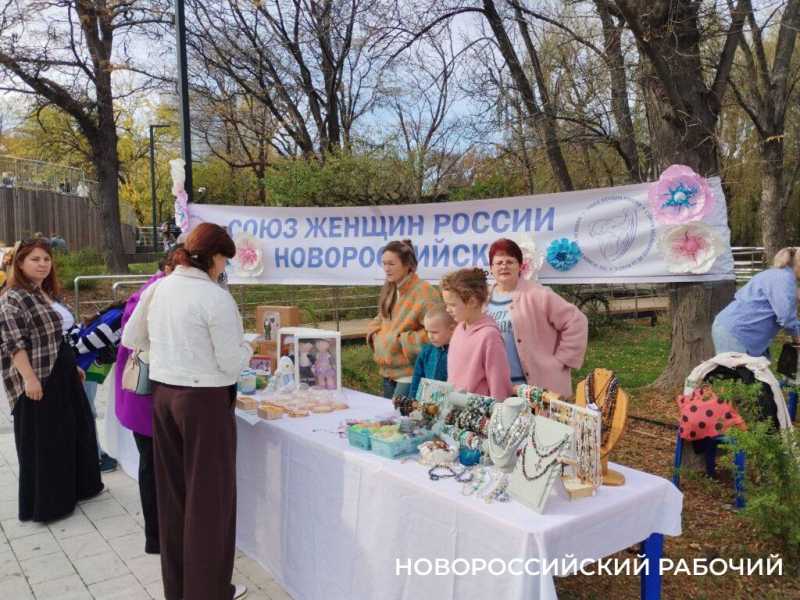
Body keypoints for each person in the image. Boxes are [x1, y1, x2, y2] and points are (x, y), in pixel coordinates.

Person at [122, 224, 252, 600]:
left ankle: (178, 588)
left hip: (164, 397)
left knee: (175, 496)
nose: (223, 267)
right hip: (204, 402)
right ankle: (208, 591)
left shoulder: (159, 288)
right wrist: (246, 348)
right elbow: (230, 365)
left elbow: (131, 338)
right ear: (213, 257)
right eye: (224, 260)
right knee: (210, 499)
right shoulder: (214, 297)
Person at [0, 238, 103, 522]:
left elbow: (58, 336)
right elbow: (13, 344)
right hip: (38, 376)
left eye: (46, 259)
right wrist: (30, 380)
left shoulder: (44, 292)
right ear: (20, 263)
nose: (43, 264)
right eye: (35, 259)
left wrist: (70, 367)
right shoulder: (13, 297)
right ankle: (49, 504)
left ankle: (78, 488)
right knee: (46, 441)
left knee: (72, 432)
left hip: (62, 371)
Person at [115, 247, 180, 555]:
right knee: (153, 467)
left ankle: (161, 533)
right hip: (146, 398)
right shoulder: (152, 295)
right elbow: (139, 341)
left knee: (154, 465)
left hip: (148, 399)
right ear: (168, 267)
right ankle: (156, 536)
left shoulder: (160, 291)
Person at [487, 238, 588, 398]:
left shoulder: (538, 294)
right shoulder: (483, 298)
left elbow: (576, 321)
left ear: (520, 266)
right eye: (499, 262)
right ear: (491, 268)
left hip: (535, 389)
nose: (504, 266)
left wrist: (562, 360)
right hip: (498, 387)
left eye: (510, 261)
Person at [366, 239, 443, 398]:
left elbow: (439, 331)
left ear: (407, 264)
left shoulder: (425, 292)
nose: (386, 269)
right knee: (389, 422)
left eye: (391, 264)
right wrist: (375, 335)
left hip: (410, 375)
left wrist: (401, 340)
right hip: (387, 374)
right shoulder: (391, 289)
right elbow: (381, 317)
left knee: (401, 421)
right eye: (384, 263)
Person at [68, 300, 126, 472]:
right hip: (84, 366)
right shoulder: (120, 317)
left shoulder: (115, 312)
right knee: (86, 410)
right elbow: (87, 342)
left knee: (86, 408)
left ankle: (94, 454)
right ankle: (95, 457)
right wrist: (70, 358)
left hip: (86, 364)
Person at [712, 246, 800, 356]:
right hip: (739, 332)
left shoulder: (778, 275)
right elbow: (786, 317)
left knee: (760, 370)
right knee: (745, 372)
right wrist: (797, 336)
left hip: (739, 330)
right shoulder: (784, 279)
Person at [441, 268, 514, 400]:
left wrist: (497, 415)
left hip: (479, 414)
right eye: (446, 305)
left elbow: (499, 383)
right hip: (455, 409)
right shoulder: (459, 329)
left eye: (452, 305)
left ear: (472, 302)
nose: (448, 310)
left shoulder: (490, 336)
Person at [409, 308, 455, 399]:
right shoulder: (426, 351)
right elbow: (417, 378)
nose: (430, 336)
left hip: (449, 402)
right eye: (427, 331)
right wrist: (412, 399)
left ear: (451, 329)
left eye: (434, 332)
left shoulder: (458, 352)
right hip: (426, 400)